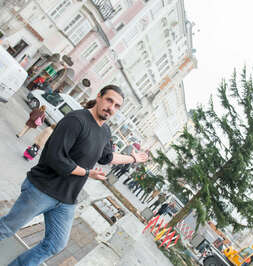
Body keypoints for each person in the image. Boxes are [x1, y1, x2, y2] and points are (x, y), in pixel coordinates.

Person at [0, 85, 149, 265]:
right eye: (109, 100)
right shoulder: (76, 120)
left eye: (117, 106)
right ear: (99, 96)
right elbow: (56, 157)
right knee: (7, 228)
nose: (112, 108)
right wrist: (87, 172)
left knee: (55, 244)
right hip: (42, 189)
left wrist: (132, 158)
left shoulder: (105, 131)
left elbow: (107, 157)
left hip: (66, 200)